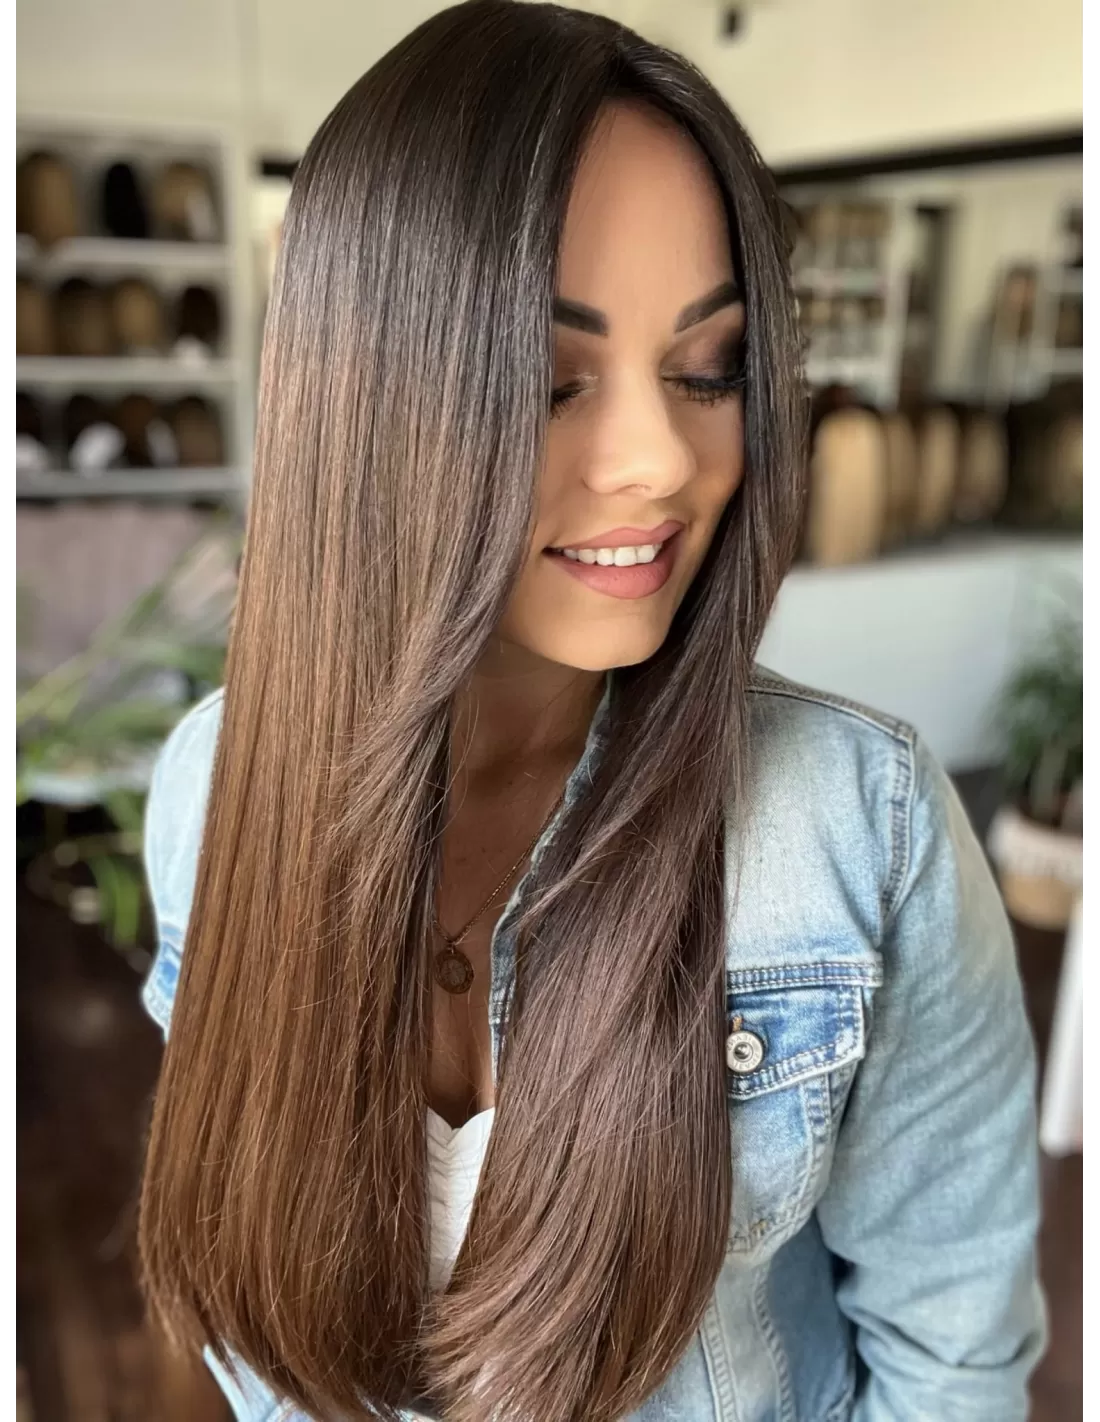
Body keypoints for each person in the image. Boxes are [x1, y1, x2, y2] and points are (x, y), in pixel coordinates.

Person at [138, 4, 1047, 1419]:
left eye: (707, 369)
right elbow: (256, 1317)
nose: (659, 459)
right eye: (550, 379)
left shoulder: (861, 829)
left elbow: (953, 1364)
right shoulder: (216, 788)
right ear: (363, 400)